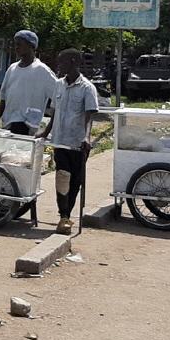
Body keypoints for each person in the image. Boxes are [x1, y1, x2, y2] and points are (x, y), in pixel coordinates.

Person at [37, 49, 100, 235]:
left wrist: (86, 137)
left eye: (62, 62)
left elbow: (89, 116)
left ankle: (68, 213)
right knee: (62, 177)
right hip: (60, 141)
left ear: (73, 62)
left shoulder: (87, 88)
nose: (59, 66)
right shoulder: (58, 85)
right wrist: (45, 132)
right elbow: (54, 112)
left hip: (78, 143)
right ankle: (63, 216)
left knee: (75, 182)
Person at [0, 30, 56, 135]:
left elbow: (58, 96)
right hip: (8, 123)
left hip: (28, 124)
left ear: (31, 46)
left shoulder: (42, 70)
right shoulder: (12, 68)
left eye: (19, 44)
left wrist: (48, 128)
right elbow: (3, 97)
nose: (16, 47)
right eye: (15, 44)